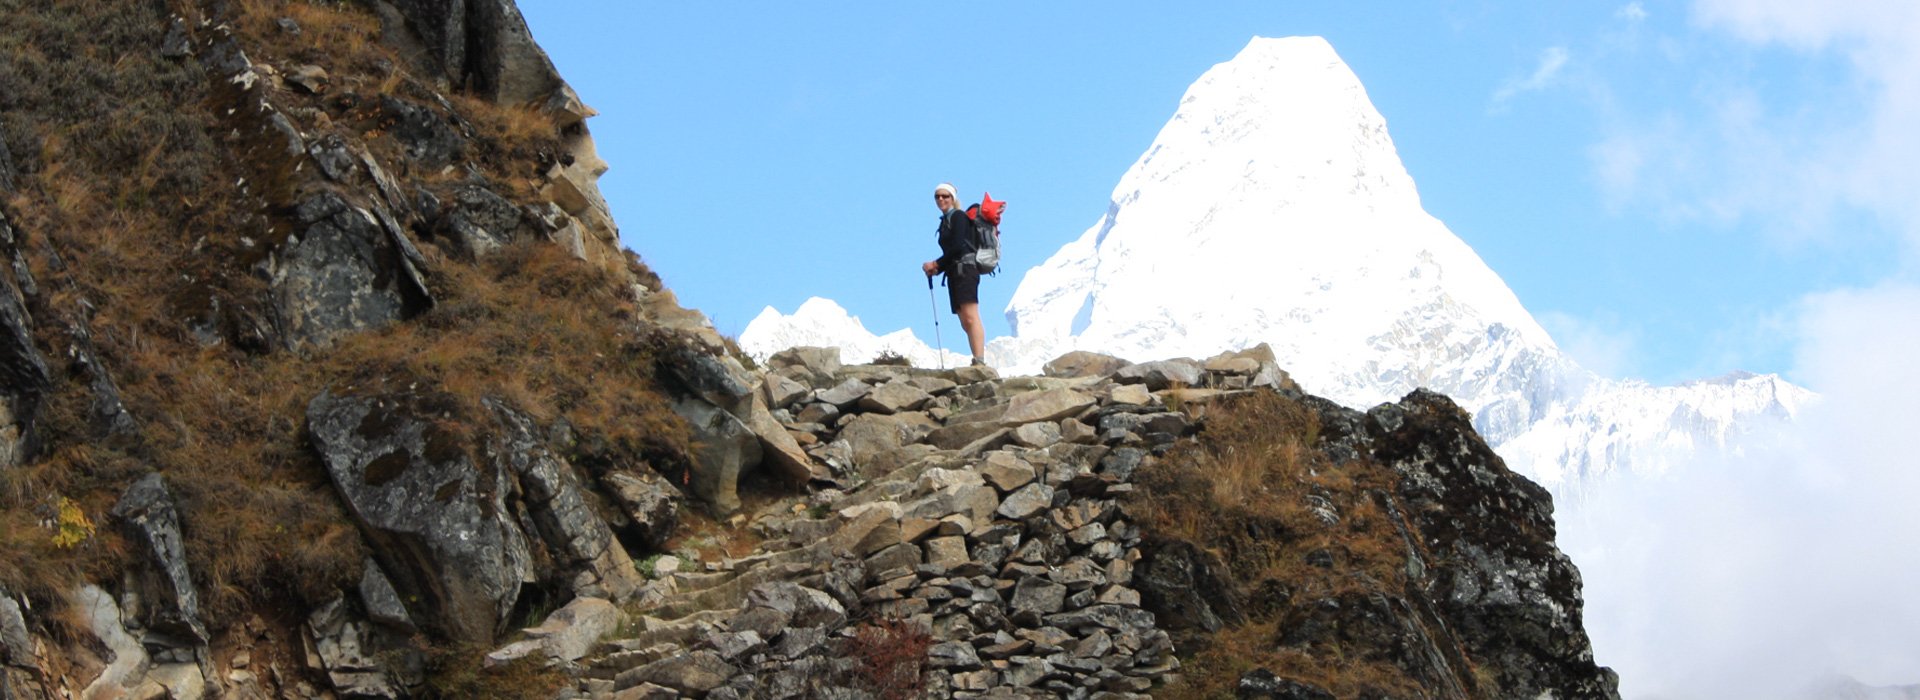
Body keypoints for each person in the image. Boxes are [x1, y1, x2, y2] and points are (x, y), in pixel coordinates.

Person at [921, 182, 987, 366]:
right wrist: (939, 268)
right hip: (955, 272)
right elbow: (954, 250)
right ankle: (977, 358)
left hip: (965, 270)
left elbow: (958, 246)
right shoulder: (945, 221)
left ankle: (979, 360)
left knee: (970, 316)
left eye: (945, 196)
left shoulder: (958, 216)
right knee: (964, 319)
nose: (941, 199)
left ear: (953, 198)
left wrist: (936, 264)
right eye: (937, 196)